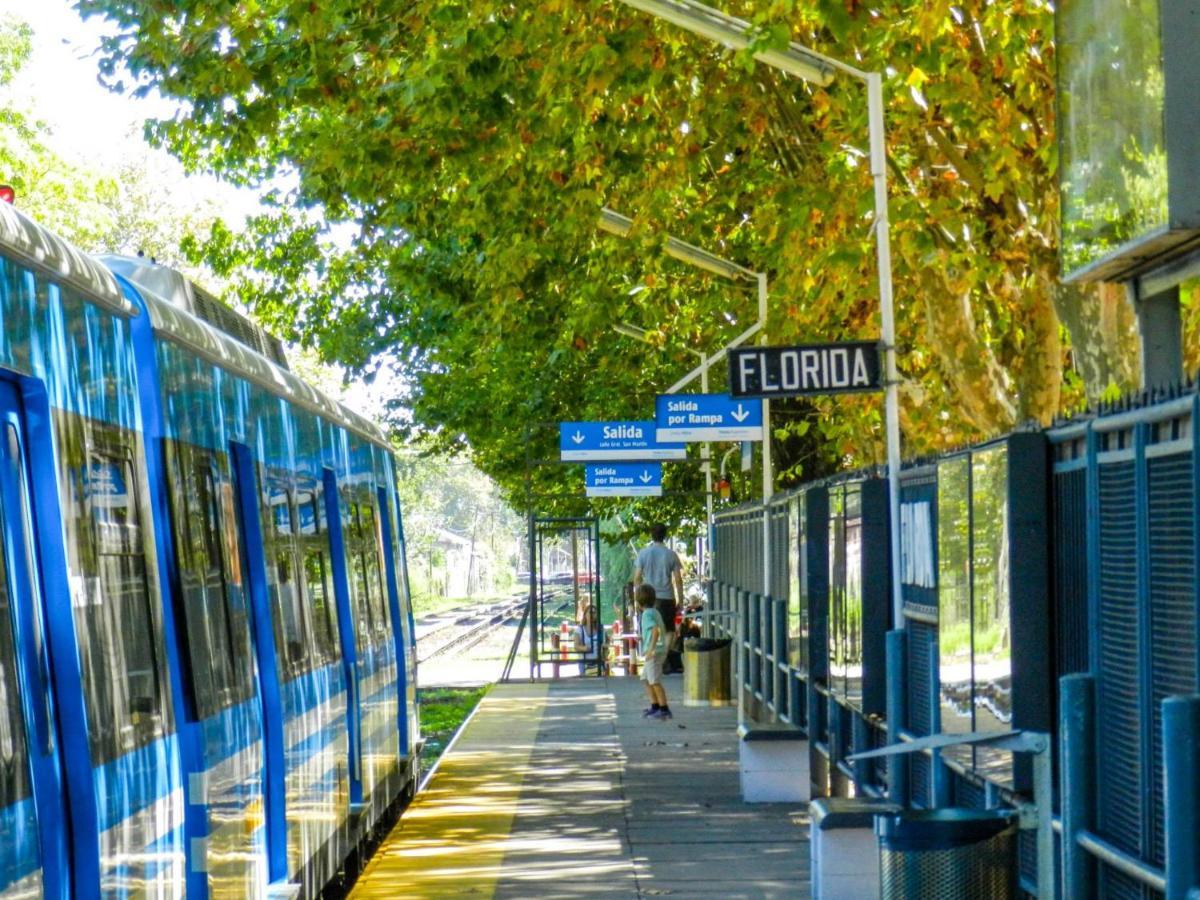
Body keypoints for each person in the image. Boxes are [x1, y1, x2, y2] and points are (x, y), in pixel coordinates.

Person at [633, 524, 684, 673]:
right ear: (665, 536)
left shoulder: (643, 554)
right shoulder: (671, 554)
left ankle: (653, 657)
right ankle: (663, 659)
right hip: (667, 597)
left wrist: (638, 597)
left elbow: (636, 578)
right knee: (668, 630)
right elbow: (678, 579)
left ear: (651, 535)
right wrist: (680, 599)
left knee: (650, 629)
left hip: (649, 597)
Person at [636, 584, 671, 719]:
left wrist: (651, 649)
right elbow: (653, 631)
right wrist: (643, 637)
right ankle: (654, 705)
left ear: (639, 601)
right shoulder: (655, 612)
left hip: (654, 652)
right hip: (657, 649)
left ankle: (664, 708)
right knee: (645, 678)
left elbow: (655, 630)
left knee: (654, 680)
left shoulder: (646, 614)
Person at [573, 606, 605, 673]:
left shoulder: (600, 629)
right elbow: (576, 646)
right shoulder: (579, 630)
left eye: (594, 613)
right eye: (590, 612)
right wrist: (584, 648)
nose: (592, 615)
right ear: (585, 615)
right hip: (584, 663)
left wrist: (604, 647)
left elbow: (607, 641)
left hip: (598, 662)